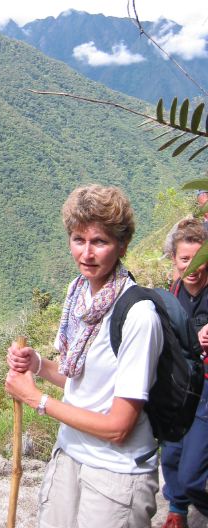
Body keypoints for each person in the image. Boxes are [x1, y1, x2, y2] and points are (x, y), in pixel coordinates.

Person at [5, 184, 164, 528]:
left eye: (100, 242)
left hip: (116, 474)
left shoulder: (138, 316)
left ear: (122, 245)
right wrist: (38, 365)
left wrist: (37, 400)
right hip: (70, 455)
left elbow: (118, 427)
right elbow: (84, 377)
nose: (87, 254)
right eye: (79, 239)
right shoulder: (78, 294)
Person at [160, 218, 208, 528]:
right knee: (171, 454)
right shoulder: (172, 293)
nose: (193, 267)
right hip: (178, 386)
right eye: (184, 259)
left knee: (193, 474)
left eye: (199, 259)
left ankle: (194, 499)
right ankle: (177, 508)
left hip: (205, 390)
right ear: (175, 260)